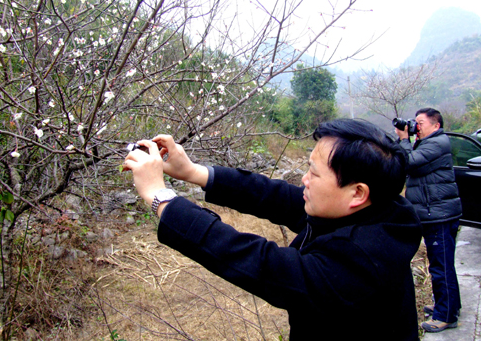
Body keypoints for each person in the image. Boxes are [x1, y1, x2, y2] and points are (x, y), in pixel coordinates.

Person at [124, 119, 422, 341]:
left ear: (357, 192)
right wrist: (193, 172)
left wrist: (160, 197)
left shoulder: (360, 261)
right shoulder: (374, 209)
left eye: (314, 174)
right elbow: (275, 196)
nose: (304, 180)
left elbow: (263, 265)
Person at [396, 108, 462, 333]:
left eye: (420, 122)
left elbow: (409, 163)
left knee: (441, 266)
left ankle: (446, 316)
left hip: (439, 215)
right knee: (441, 264)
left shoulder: (437, 143)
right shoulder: (427, 143)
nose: (417, 126)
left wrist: (405, 140)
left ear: (436, 125)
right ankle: (449, 306)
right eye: (415, 122)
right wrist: (405, 140)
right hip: (434, 213)